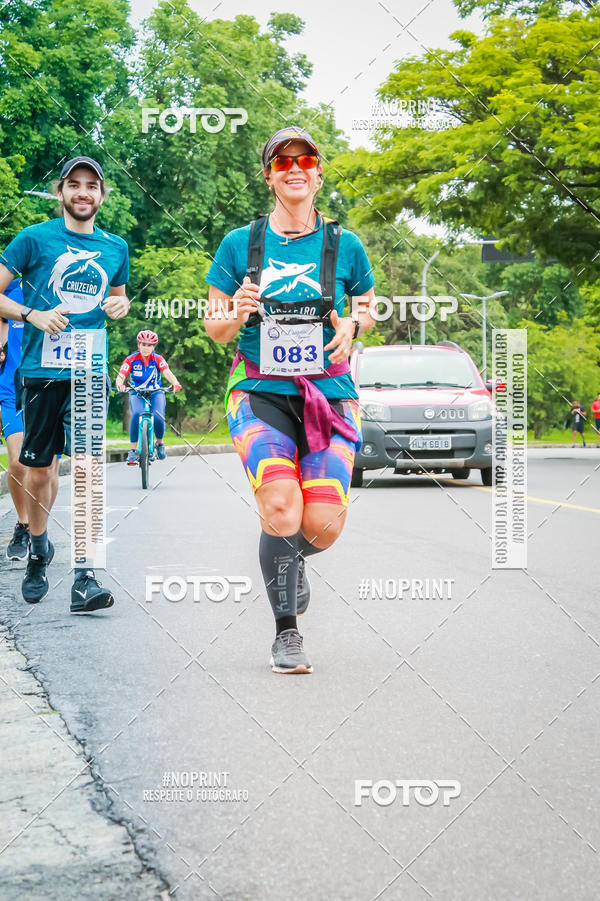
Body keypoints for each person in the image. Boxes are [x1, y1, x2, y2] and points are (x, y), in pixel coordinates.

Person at [204, 126, 376, 674]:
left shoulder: (344, 244)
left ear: (319, 172)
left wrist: (354, 322)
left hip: (330, 393)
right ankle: (287, 633)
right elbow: (214, 329)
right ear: (270, 176)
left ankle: (291, 560)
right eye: (283, 162)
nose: (295, 168)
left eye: (306, 159)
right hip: (259, 390)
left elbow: (369, 308)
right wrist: (235, 309)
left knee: (321, 524)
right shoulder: (240, 244)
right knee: (281, 507)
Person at [0, 155, 130, 610]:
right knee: (39, 470)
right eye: (73, 184)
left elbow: (117, 298)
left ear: (101, 195)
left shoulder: (116, 247)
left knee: (90, 472)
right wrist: (31, 313)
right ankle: (38, 548)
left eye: (91, 186)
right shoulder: (33, 240)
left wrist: (122, 306)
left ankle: (85, 578)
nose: (82, 192)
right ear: (61, 192)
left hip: (89, 371)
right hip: (39, 372)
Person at [0, 278, 61, 559]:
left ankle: (40, 531)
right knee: (17, 461)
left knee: (47, 469)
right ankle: (24, 524)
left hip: (51, 388)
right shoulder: (8, 291)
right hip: (12, 388)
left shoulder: (56, 290)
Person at [115, 330, 182, 463]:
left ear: (154, 347)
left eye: (149, 345)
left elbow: (167, 372)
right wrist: (119, 384)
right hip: (137, 392)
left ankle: (160, 443)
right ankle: (133, 451)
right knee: (136, 415)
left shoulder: (158, 359)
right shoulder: (131, 359)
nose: (146, 348)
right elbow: (121, 375)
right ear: (139, 345)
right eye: (143, 344)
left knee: (158, 416)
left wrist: (175, 382)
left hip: (156, 392)